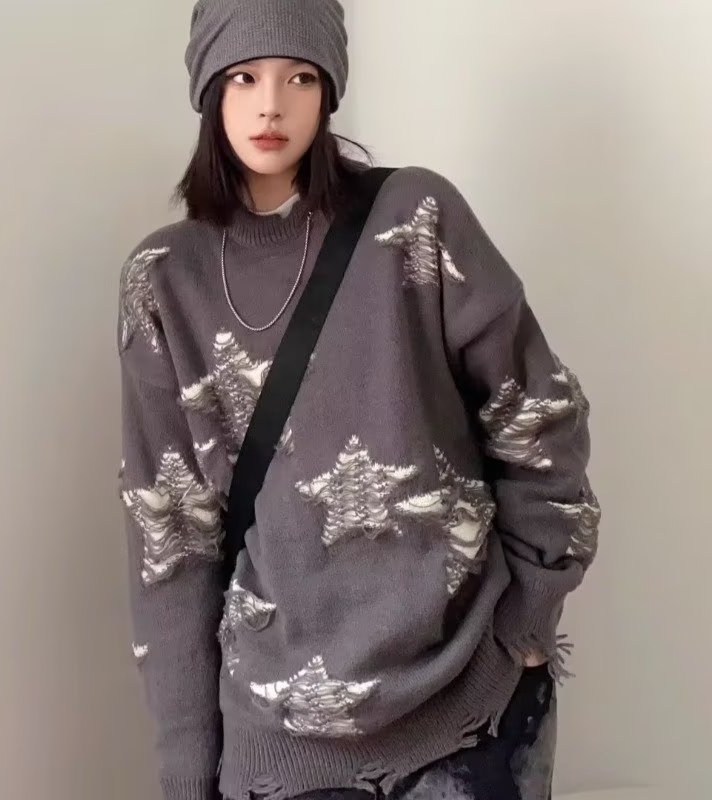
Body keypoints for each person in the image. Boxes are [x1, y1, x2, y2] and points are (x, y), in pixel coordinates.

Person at [116, 1, 601, 799]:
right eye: (244, 78)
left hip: (467, 702)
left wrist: (530, 617)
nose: (272, 106)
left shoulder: (414, 217)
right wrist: (185, 765)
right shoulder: (163, 280)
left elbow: (536, 413)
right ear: (208, 89)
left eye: (300, 77)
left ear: (330, 91)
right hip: (279, 735)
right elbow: (170, 535)